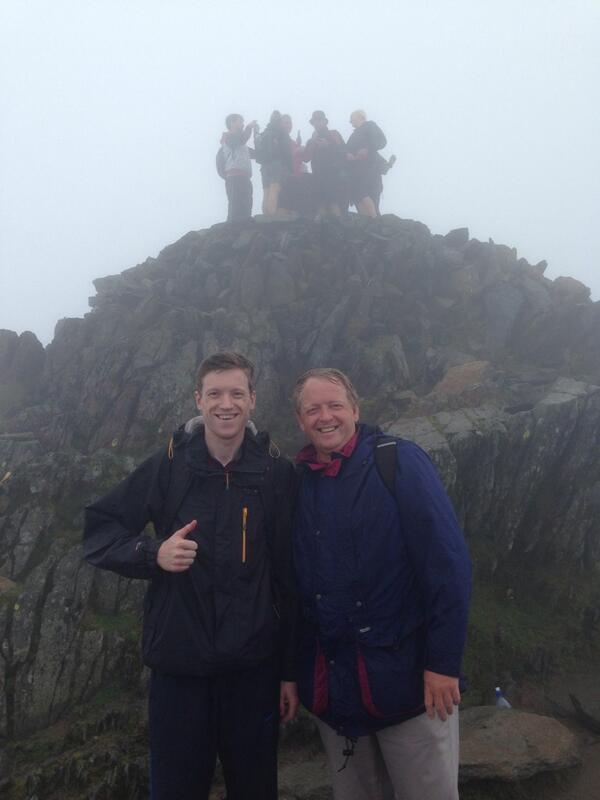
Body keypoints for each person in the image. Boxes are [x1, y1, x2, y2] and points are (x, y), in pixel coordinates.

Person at [83, 352, 299, 800]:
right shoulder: (168, 465)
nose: (226, 404)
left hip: (252, 674)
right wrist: (152, 552)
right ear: (198, 400)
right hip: (179, 674)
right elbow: (100, 529)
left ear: (253, 400)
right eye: (215, 393)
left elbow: (289, 578)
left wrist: (289, 672)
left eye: (237, 393)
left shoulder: (275, 473)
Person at [292, 367, 471, 800]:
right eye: (312, 409)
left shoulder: (398, 460)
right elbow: (293, 594)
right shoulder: (299, 483)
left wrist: (444, 664)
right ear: (301, 421)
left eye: (335, 405)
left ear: (355, 409)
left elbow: (447, 564)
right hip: (336, 697)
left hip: (410, 688)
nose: (325, 417)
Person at [302, 110, 348, 217]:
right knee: (320, 205)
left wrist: (329, 146)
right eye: (315, 121)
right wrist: (312, 142)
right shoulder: (312, 139)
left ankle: (338, 229)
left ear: (325, 122)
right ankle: (325, 231)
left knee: (334, 204)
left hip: (333, 177)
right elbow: (306, 158)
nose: (317, 123)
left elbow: (344, 152)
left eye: (320, 120)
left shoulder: (334, 134)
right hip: (318, 177)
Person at [346, 110, 387, 218]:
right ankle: (369, 225)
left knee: (366, 195)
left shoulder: (369, 126)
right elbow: (347, 149)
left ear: (361, 117)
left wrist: (367, 149)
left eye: (353, 119)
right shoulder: (354, 134)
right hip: (357, 171)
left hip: (370, 169)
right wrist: (348, 155)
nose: (351, 122)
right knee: (359, 196)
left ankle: (374, 222)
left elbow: (382, 141)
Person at [219, 114, 258, 222]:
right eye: (240, 122)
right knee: (236, 204)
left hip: (244, 176)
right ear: (232, 123)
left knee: (246, 202)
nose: (243, 124)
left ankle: (243, 227)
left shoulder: (240, 143)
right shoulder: (229, 138)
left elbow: (256, 154)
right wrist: (249, 128)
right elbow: (241, 140)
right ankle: (232, 229)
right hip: (234, 177)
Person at [255, 110, 293, 215]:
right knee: (274, 189)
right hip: (276, 165)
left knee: (266, 191)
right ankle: (271, 216)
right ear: (279, 120)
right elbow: (286, 153)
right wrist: (290, 168)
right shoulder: (281, 133)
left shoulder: (265, 133)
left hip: (264, 166)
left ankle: (265, 215)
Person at [278, 114, 315, 218]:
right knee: (284, 205)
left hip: (295, 177)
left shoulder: (292, 142)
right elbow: (281, 157)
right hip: (285, 177)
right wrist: (296, 151)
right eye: (286, 123)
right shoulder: (278, 139)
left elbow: (305, 158)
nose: (289, 125)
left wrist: (310, 142)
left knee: (294, 207)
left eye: (290, 123)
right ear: (280, 124)